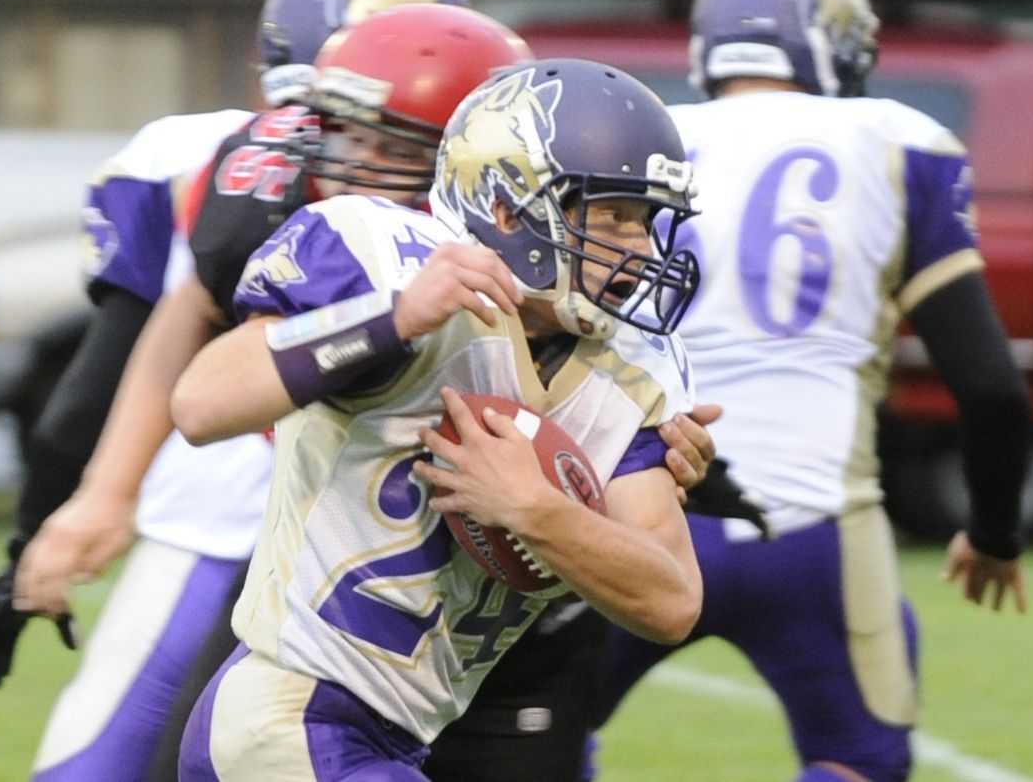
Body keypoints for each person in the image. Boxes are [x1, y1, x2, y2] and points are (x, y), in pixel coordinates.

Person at [0, 0, 480, 782]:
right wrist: (97, 500)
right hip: (299, 517)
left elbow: (113, 373)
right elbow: (179, 325)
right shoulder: (239, 175)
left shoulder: (218, 160)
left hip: (343, 529)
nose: (347, 150)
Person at [169, 58, 705, 780]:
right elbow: (201, 405)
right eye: (611, 216)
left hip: (396, 737)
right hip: (290, 713)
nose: (639, 251)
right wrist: (391, 320)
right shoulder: (385, 256)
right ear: (508, 208)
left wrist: (537, 510)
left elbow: (669, 599)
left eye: (644, 221)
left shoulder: (632, 369)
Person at [588, 0, 1031, 782]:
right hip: (815, 527)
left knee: (527, 735)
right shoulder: (897, 140)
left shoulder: (648, 136)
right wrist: (997, 533)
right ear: (832, 43)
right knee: (859, 761)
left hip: (636, 504)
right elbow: (989, 386)